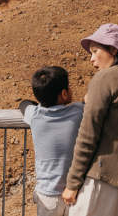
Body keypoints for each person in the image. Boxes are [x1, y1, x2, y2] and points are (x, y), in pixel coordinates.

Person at [61, 24, 118, 216]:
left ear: (113, 49)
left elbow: (87, 135)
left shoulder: (105, 78)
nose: (92, 59)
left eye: (95, 51)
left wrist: (73, 183)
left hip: (101, 177)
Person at [19, 66, 84, 216]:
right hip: (74, 192)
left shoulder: (34, 115)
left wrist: (39, 104)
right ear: (64, 93)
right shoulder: (78, 112)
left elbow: (24, 104)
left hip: (46, 194)